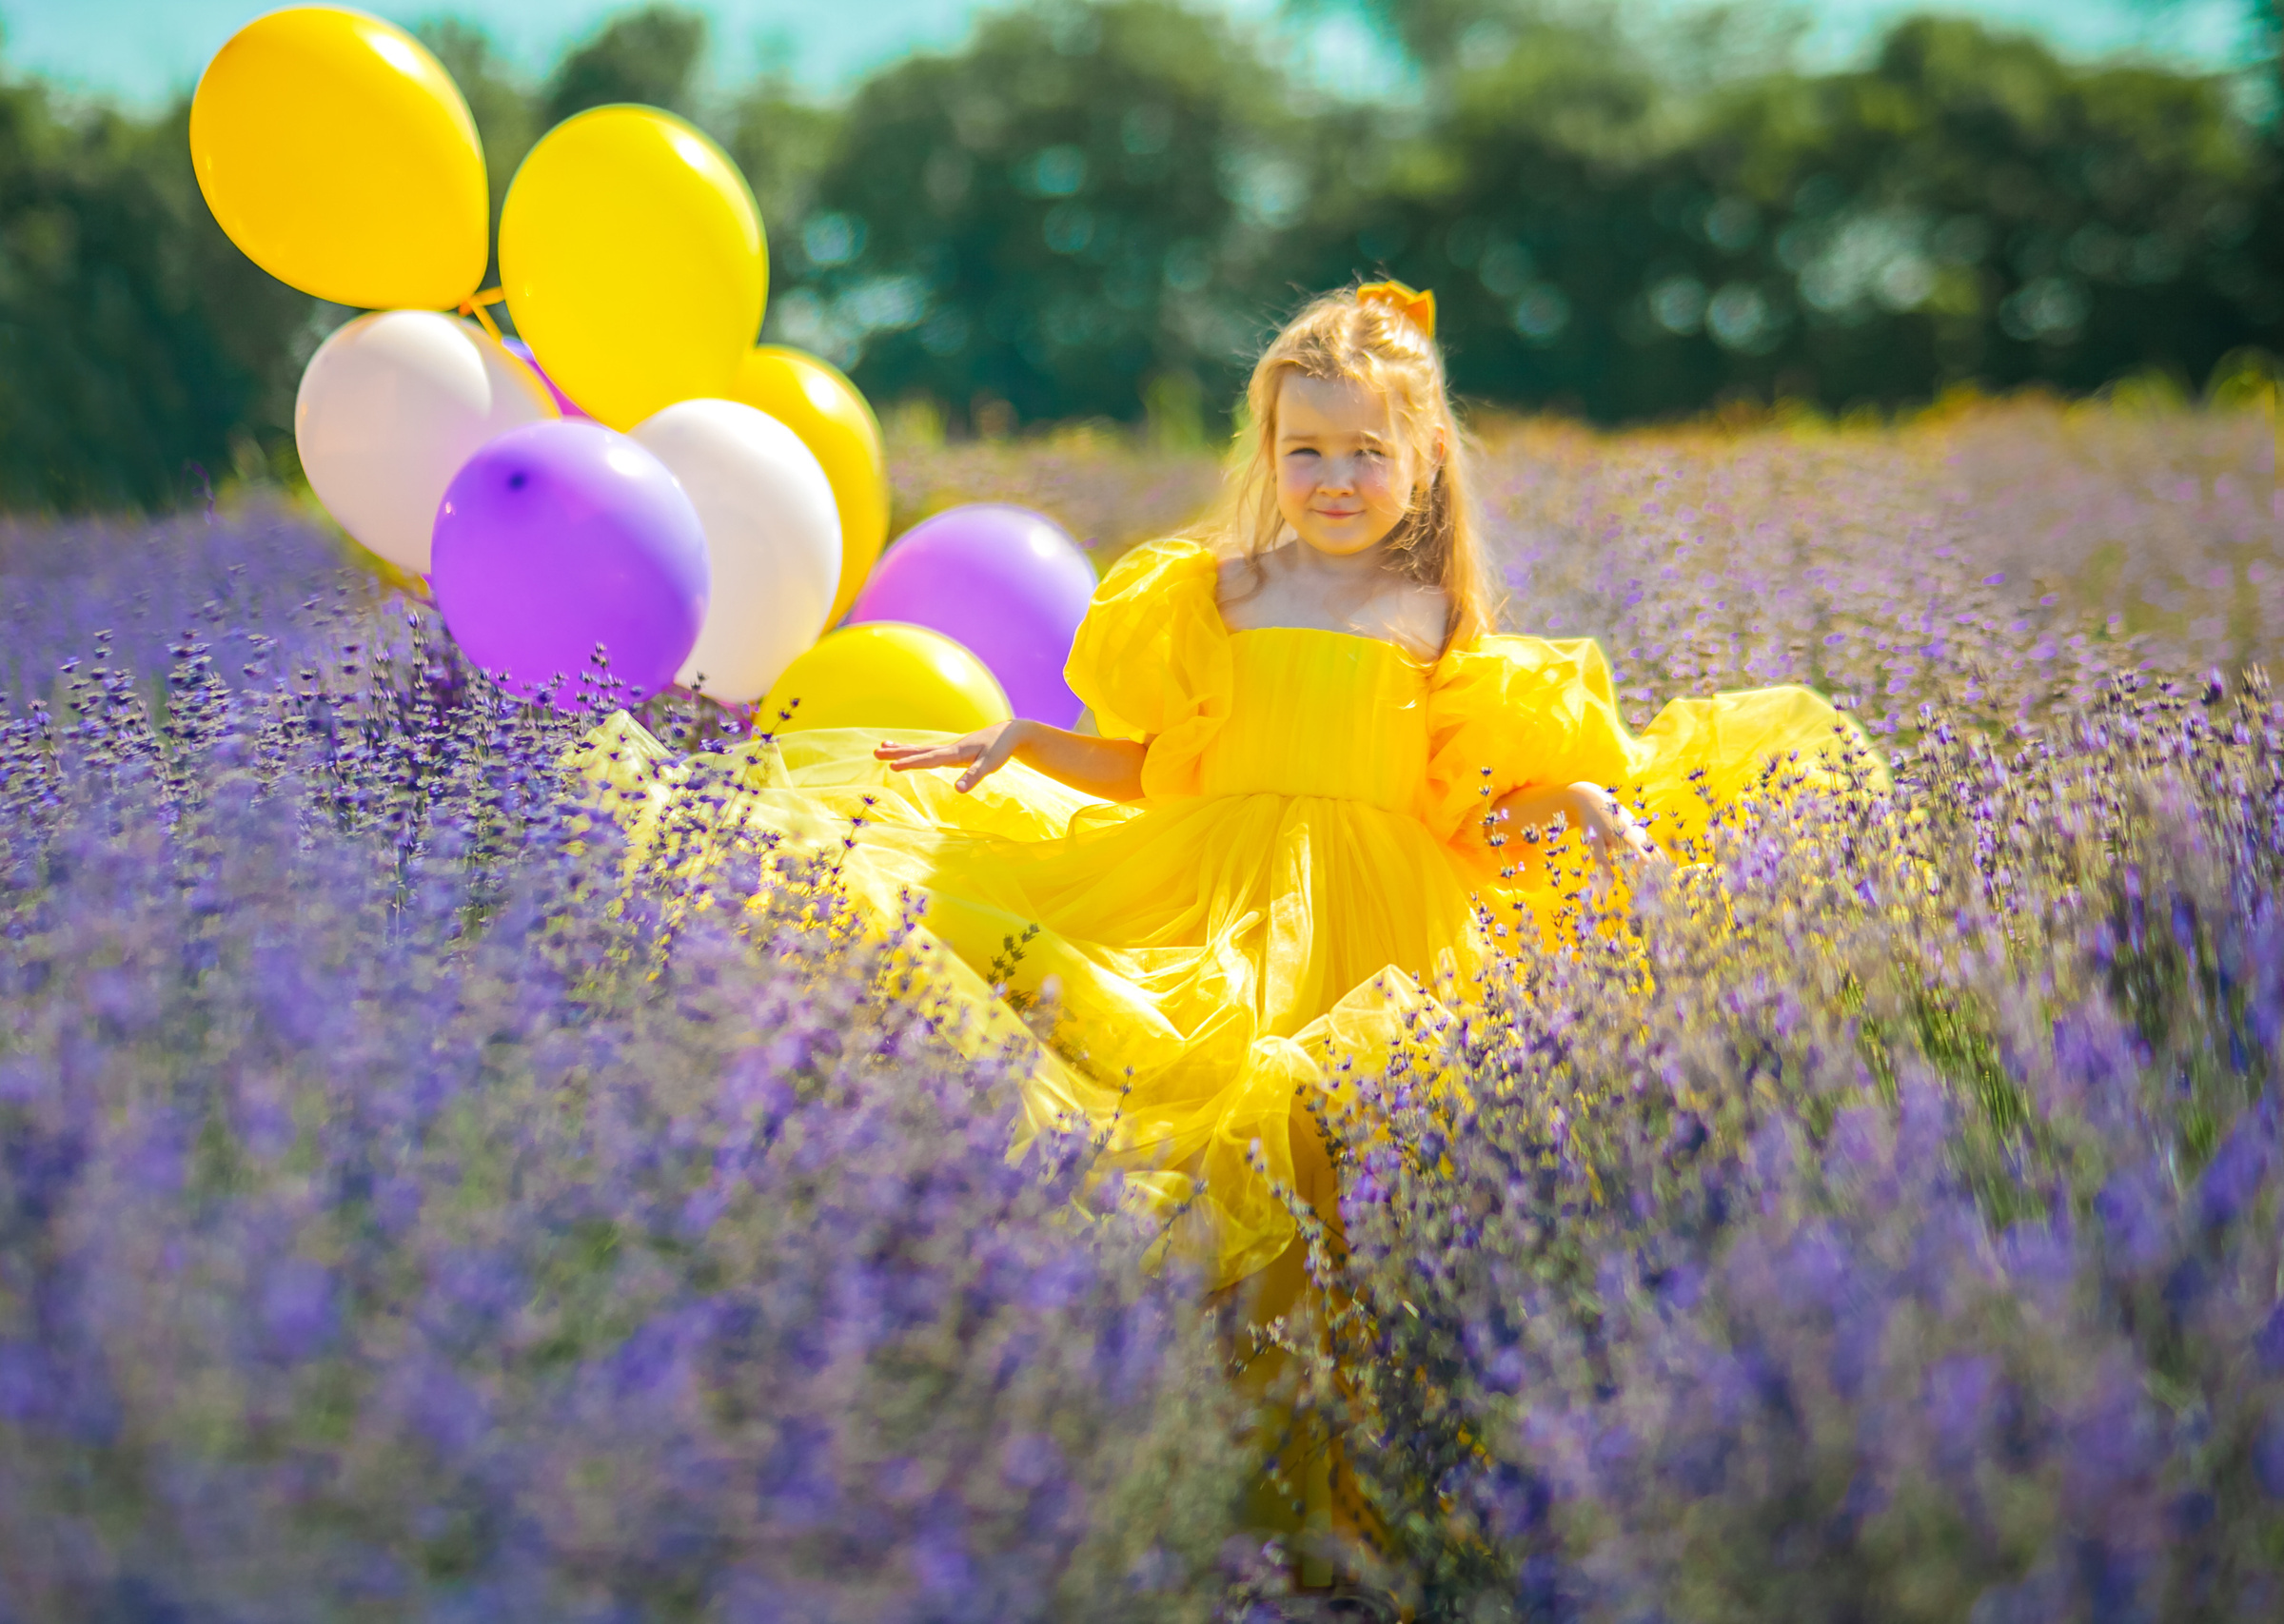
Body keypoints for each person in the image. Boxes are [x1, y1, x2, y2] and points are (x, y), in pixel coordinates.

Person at [578, 280, 1880, 1589]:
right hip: (1208, 894)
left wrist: (1582, 803)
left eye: (1366, 452)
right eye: (1305, 450)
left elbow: (1471, 807)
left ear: (1422, 458)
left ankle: (1344, 1502)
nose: (1333, 477)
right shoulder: (1220, 593)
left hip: (1381, 918)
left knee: (1334, 1171)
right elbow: (1163, 772)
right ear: (1269, 456)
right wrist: (1033, 742)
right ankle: (1165, 1467)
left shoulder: (1437, 624)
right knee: (1201, 1136)